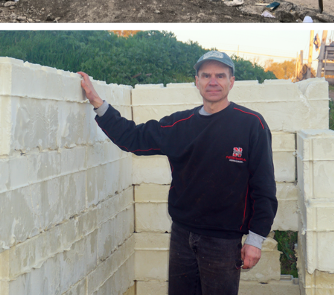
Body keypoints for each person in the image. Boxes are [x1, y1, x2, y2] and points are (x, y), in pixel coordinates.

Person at [78, 50, 276, 295]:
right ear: (196, 81)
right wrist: (98, 103)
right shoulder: (179, 125)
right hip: (183, 235)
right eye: (205, 75)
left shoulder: (251, 124)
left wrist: (255, 240)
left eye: (220, 75)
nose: (212, 81)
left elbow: (264, 187)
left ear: (231, 81)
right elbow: (133, 137)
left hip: (223, 243)